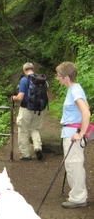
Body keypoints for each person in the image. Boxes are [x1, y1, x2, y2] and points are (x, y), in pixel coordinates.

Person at [56, 62, 90, 209]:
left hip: (73, 135)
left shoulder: (75, 90)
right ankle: (77, 194)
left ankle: (78, 198)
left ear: (66, 77)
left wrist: (81, 133)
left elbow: (86, 112)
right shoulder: (73, 89)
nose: (57, 78)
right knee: (72, 164)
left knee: (74, 165)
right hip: (70, 133)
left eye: (59, 75)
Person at [11, 62, 44, 161]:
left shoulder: (24, 80)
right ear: (33, 69)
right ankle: (37, 147)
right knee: (35, 129)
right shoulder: (41, 79)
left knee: (23, 131)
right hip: (38, 109)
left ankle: (25, 155)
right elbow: (46, 95)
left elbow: (20, 97)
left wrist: (14, 98)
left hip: (26, 109)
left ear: (25, 70)